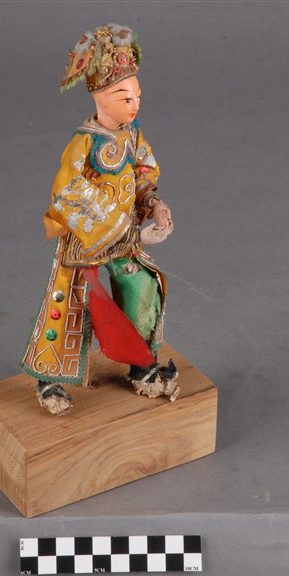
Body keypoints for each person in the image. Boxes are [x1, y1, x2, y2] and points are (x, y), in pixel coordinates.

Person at [21, 24, 180, 415]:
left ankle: (141, 365)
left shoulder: (132, 135)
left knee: (142, 287)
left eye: (137, 96)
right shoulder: (84, 142)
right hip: (86, 238)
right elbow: (67, 191)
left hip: (124, 238)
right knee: (69, 306)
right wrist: (121, 227)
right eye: (124, 97)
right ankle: (50, 377)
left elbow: (142, 173)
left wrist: (154, 202)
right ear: (99, 97)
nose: (134, 104)